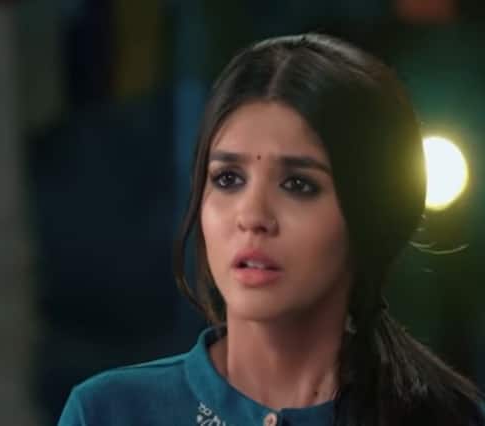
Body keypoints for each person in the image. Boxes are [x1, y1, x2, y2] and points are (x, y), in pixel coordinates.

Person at [58, 33, 485, 426]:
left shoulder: (450, 418)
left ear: (370, 214)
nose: (252, 216)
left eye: (298, 185)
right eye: (228, 179)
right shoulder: (108, 412)